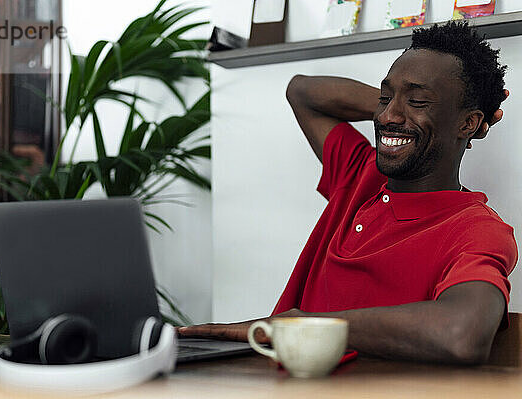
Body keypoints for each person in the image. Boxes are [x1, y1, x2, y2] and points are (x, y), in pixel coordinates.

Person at [179, 21, 518, 365]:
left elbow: (462, 333)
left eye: (418, 99)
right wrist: (404, 109)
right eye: (385, 98)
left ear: (469, 123)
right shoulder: (362, 172)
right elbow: (302, 93)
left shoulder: (476, 229)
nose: (386, 116)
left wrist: (304, 325)